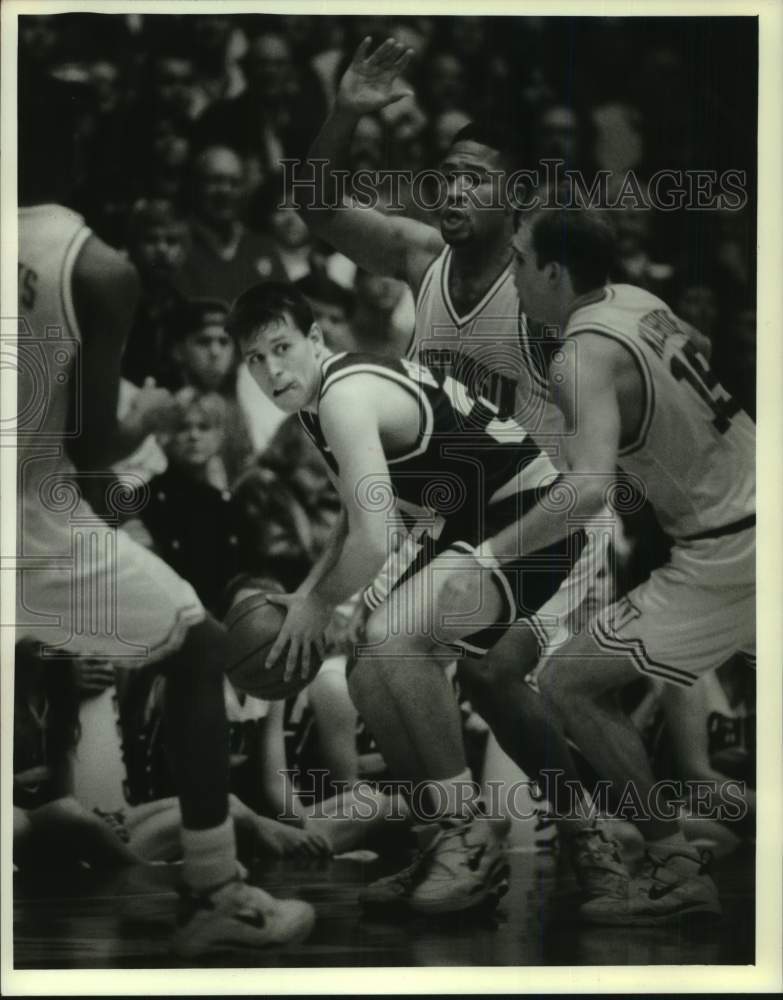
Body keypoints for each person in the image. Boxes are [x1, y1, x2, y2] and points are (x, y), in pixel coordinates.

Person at [298, 35, 626, 905]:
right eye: (444, 175)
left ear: (513, 197)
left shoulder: (543, 290)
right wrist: (346, 110)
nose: (452, 189)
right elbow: (317, 209)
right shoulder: (418, 259)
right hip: (458, 520)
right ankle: (450, 832)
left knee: (482, 668)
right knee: (374, 660)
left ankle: (586, 835)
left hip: (547, 516)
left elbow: (615, 372)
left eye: (474, 178)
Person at [15, 69, 314, 956]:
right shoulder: (99, 267)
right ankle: (216, 885)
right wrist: (146, 409)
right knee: (199, 646)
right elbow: (97, 442)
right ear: (76, 148)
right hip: (34, 511)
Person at [224, 281, 589, 915]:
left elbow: (377, 536)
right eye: (255, 359)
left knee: (394, 641)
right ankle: (443, 839)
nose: (271, 369)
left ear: (315, 339)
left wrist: (319, 607)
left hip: (530, 517)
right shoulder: (319, 397)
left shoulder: (343, 396)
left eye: (282, 347)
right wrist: (308, 592)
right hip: (466, 520)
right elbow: (360, 512)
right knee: (368, 673)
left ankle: (473, 838)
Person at [506, 206, 755, 923]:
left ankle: (674, 865)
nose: (512, 274)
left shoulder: (578, 356)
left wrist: (486, 552)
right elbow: (698, 347)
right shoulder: (638, 300)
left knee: (566, 684)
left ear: (553, 272)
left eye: (520, 261)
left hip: (730, 545)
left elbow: (587, 489)